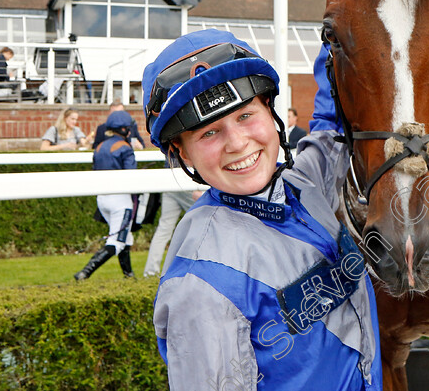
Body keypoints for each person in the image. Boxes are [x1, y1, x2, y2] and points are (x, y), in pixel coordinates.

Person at [142, 29, 382, 390]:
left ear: (270, 111)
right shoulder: (199, 285)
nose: (238, 143)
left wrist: (340, 29)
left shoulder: (303, 185)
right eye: (209, 133)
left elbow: (330, 122)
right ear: (182, 152)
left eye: (245, 116)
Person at [74, 110, 137, 280]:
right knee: (116, 242)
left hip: (102, 199)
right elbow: (132, 176)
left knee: (125, 238)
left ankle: (129, 276)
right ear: (124, 129)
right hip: (120, 201)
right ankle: (85, 272)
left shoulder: (100, 146)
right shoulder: (125, 148)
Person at [142, 187, 197, 277]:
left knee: (163, 231)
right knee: (206, 221)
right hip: (188, 187)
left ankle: (150, 273)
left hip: (170, 187)